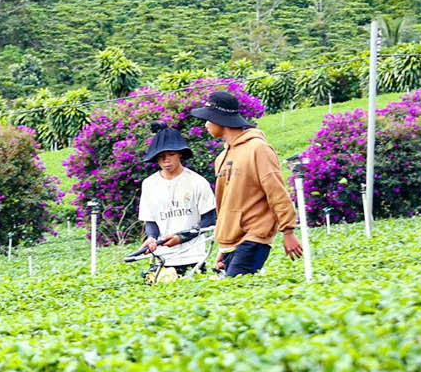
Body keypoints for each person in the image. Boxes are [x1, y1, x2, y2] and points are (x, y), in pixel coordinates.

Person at [190, 89, 303, 277]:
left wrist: (288, 231)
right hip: (231, 241)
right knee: (234, 295)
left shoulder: (258, 148)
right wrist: (223, 245)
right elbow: (225, 203)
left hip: (255, 237)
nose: (206, 125)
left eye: (208, 119)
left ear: (220, 120)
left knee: (235, 291)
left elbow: (276, 190)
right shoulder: (221, 158)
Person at [122, 122, 217, 280]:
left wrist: (182, 237)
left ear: (180, 153)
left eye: (171, 154)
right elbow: (151, 221)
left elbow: (209, 219)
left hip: (192, 258)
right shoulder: (149, 184)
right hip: (162, 259)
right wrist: (151, 238)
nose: (166, 160)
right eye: (160, 156)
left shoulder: (197, 182)